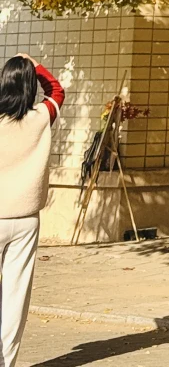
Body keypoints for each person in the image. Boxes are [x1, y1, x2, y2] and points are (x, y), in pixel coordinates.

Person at [0, 54, 65, 366]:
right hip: (26, 219)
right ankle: (7, 360)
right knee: (16, 294)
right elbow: (57, 91)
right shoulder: (41, 117)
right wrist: (35, 65)